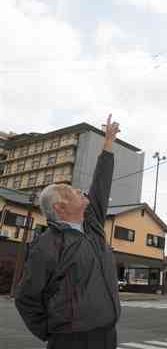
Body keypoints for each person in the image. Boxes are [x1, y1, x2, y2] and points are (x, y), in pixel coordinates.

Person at [15, 114, 121, 349]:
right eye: (70, 191)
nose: (79, 191)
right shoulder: (48, 244)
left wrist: (108, 144)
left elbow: (101, 186)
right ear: (60, 208)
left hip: (107, 335)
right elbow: (26, 298)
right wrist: (54, 332)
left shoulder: (92, 227)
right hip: (71, 340)